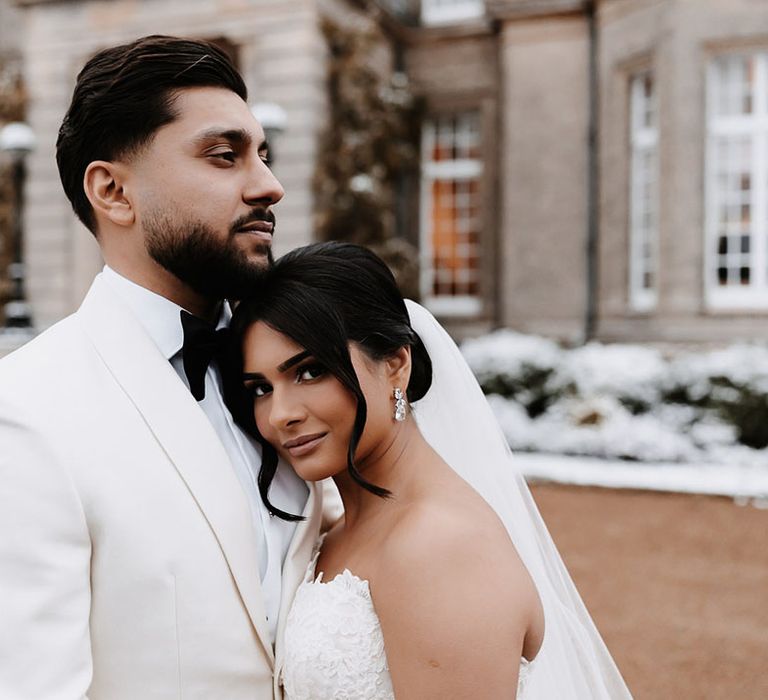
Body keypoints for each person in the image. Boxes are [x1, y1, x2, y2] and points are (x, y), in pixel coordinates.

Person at [0, 35, 324, 699]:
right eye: (224, 155)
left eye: (264, 154)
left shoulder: (305, 381)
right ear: (113, 191)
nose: (269, 185)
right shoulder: (26, 413)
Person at [229, 241, 634, 699]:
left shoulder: (440, 546)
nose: (280, 414)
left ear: (396, 365)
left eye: (309, 371)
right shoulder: (342, 528)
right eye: (260, 388)